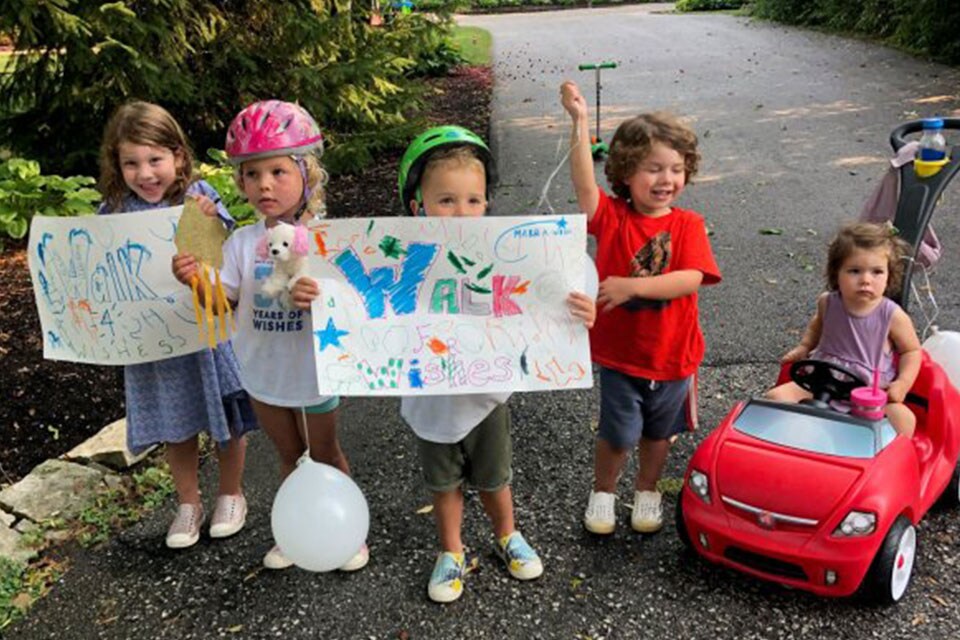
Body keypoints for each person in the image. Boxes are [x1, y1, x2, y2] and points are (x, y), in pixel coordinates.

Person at [396, 125, 597, 603]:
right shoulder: (404, 259)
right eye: (446, 200)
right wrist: (319, 297)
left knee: (495, 477)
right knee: (442, 482)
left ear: (487, 204)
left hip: (487, 396)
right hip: (431, 401)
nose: (461, 211)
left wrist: (582, 309)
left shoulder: (506, 256)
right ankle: (451, 550)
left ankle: (508, 534)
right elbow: (357, 298)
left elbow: (555, 289)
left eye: (473, 199)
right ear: (417, 207)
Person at [172, 100, 368, 571]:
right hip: (263, 374)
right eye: (251, 173)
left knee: (326, 454)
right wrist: (198, 280)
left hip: (315, 371)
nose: (264, 184)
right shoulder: (240, 242)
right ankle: (295, 531)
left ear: (307, 174)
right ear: (239, 182)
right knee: (290, 457)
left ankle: (348, 532)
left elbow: (358, 305)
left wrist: (319, 295)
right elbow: (226, 303)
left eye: (278, 171)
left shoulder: (327, 239)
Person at [560, 82, 722, 536]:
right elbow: (582, 185)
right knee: (616, 434)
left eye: (676, 168)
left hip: (673, 358)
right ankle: (604, 492)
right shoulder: (611, 217)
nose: (666, 179)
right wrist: (578, 122)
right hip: (621, 358)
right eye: (653, 168)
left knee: (658, 434)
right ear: (627, 172)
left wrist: (631, 286)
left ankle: (647, 490)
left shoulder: (688, 224)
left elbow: (691, 278)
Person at [98, 101, 258, 549]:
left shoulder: (199, 198)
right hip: (157, 342)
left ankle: (231, 493)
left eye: (155, 160)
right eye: (131, 163)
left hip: (205, 334)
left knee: (227, 416)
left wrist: (206, 224)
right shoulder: (113, 212)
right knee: (175, 422)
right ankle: (188, 503)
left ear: (178, 157)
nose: (145, 173)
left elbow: (223, 258)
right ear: (118, 165)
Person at [766, 221, 922, 436]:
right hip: (821, 381)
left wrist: (903, 383)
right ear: (836, 273)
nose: (866, 280)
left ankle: (890, 464)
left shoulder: (892, 315)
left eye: (877, 272)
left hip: (868, 394)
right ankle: (792, 445)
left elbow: (911, 351)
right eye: (855, 271)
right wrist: (804, 347)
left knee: (904, 419)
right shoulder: (828, 303)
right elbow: (817, 325)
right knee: (776, 398)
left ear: (889, 276)